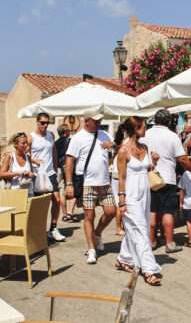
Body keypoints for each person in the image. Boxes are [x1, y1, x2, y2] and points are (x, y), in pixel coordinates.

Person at [140, 109, 191, 253]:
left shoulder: (145, 135)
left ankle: (151, 240)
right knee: (167, 211)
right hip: (167, 178)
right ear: (169, 121)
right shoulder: (173, 136)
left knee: (152, 210)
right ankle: (170, 243)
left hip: (150, 177)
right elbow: (182, 159)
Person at [65, 109, 117, 264]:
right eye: (96, 121)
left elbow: (117, 147)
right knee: (89, 216)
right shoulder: (78, 138)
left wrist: (113, 144)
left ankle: (97, 234)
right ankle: (91, 249)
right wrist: (69, 184)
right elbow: (69, 161)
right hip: (87, 183)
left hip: (104, 182)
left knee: (111, 211)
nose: (99, 123)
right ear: (87, 121)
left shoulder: (104, 134)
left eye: (100, 120)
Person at [114, 116, 162, 285]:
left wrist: (154, 162)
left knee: (138, 228)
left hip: (144, 194)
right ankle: (148, 269)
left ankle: (123, 258)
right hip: (131, 195)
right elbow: (121, 178)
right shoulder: (123, 151)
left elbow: (148, 169)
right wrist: (121, 201)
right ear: (136, 129)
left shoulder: (145, 147)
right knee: (141, 229)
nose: (146, 129)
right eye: (144, 126)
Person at [28, 113, 65, 242]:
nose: (45, 125)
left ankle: (53, 228)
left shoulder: (51, 135)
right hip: (37, 174)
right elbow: (26, 156)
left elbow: (53, 152)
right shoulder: (31, 138)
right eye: (43, 123)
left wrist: (55, 169)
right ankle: (37, 230)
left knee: (57, 200)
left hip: (50, 173)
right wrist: (34, 162)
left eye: (47, 123)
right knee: (38, 204)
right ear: (37, 122)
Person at [55, 124, 78, 223]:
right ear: (65, 132)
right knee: (74, 189)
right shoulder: (70, 141)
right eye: (68, 130)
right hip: (69, 168)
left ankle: (64, 215)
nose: (70, 132)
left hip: (58, 168)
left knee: (61, 192)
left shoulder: (55, 143)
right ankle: (70, 212)